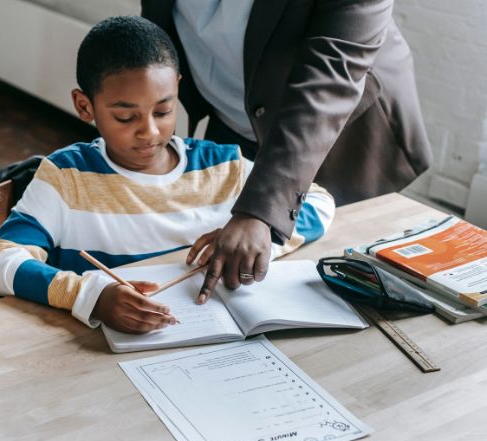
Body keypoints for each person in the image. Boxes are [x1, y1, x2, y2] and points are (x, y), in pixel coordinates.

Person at [0, 16, 335, 334]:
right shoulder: (66, 177)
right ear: (84, 106)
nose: (149, 131)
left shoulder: (221, 165)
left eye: (163, 110)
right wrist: (90, 296)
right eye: (126, 117)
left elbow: (319, 201)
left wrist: (257, 241)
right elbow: (2, 261)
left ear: (178, 88)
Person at [142, 0, 432, 299]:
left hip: (340, 138)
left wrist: (260, 212)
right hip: (229, 117)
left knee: (338, 284)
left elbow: (329, 82)